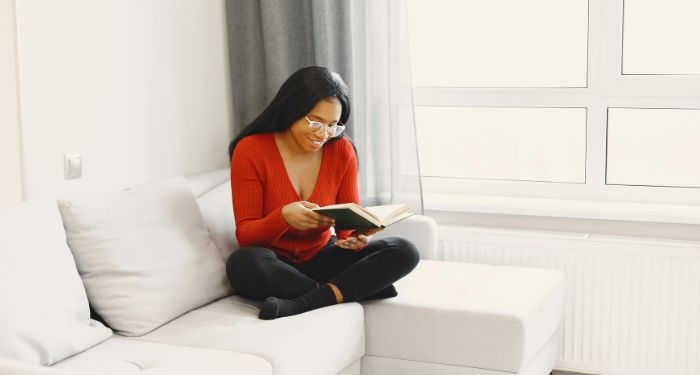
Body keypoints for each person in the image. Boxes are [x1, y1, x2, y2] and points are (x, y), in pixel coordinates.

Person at [226, 66, 419, 320]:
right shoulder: (251, 150)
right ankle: (346, 289)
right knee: (243, 263)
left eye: (333, 126)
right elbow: (247, 236)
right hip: (274, 262)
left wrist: (356, 237)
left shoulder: (341, 150)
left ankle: (301, 302)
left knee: (404, 249)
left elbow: (346, 225)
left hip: (321, 256)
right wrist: (283, 217)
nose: (323, 134)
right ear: (291, 109)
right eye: (315, 122)